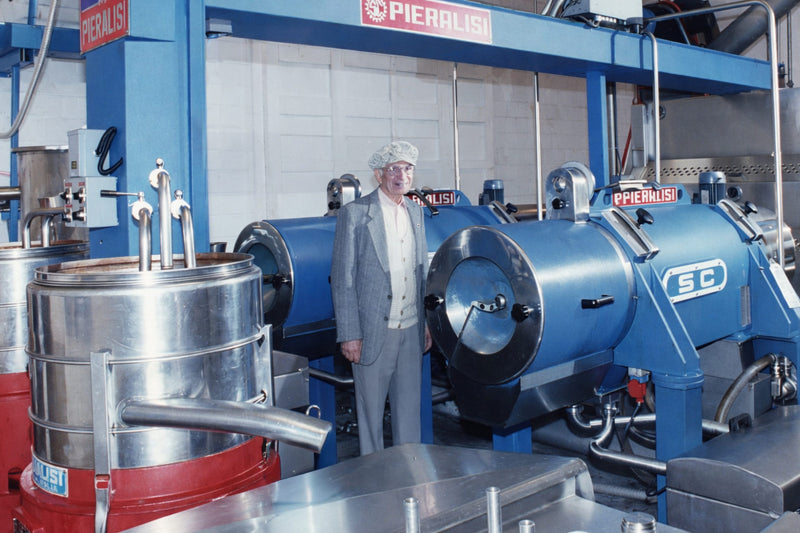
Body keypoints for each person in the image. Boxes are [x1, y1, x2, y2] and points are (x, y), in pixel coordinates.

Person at [330, 140, 432, 456]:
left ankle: (409, 472)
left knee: (409, 413)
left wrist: (427, 323)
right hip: (373, 332)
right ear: (379, 174)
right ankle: (373, 476)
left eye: (407, 168)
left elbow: (421, 270)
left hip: (411, 329)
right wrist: (350, 334)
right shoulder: (356, 214)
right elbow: (343, 279)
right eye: (394, 169)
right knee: (371, 416)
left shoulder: (415, 211)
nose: (402, 176)